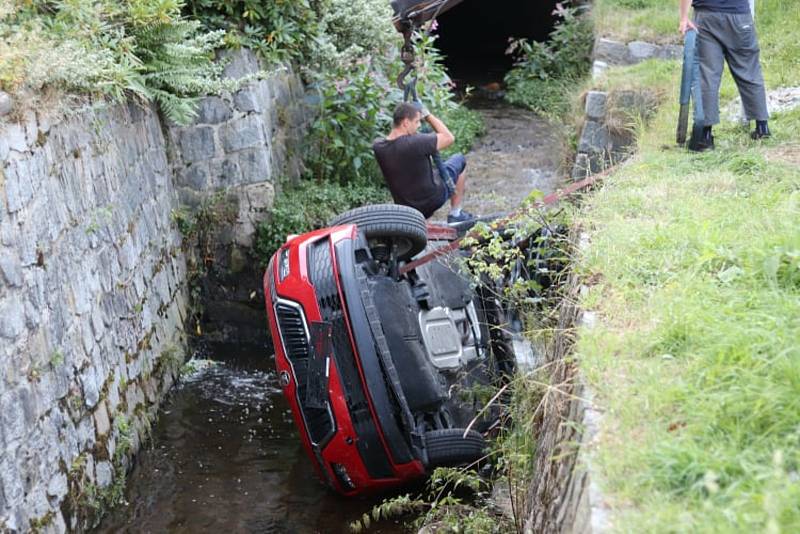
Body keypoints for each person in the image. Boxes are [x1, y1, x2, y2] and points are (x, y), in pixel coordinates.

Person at [679, 0, 770, 151]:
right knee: (749, 70)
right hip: (740, 15)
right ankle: (762, 127)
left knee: (707, 75)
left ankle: (705, 136)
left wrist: (683, 17)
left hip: (707, 17)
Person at [372, 101, 474, 224]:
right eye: (416, 121)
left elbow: (399, 144)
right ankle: (456, 214)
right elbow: (449, 138)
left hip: (406, 210)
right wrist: (427, 115)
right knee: (459, 159)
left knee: (432, 172)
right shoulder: (416, 143)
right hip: (431, 201)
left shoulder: (378, 147)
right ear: (405, 123)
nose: (419, 125)